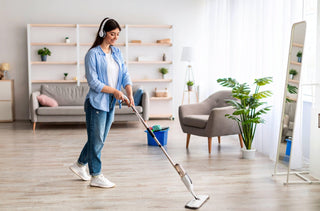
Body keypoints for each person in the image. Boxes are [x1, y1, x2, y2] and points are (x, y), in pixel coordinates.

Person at [69, 17, 134, 188]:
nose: (115, 37)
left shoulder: (117, 53)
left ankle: (79, 165)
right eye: (112, 33)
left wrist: (129, 93)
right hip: (96, 103)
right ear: (103, 32)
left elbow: (125, 74)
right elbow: (94, 82)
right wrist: (114, 91)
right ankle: (96, 175)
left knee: (98, 139)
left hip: (111, 103)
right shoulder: (93, 54)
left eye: (117, 34)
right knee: (97, 139)